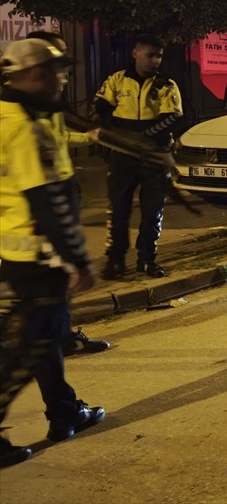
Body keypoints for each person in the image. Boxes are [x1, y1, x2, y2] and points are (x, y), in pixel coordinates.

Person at [1, 39, 107, 468]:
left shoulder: (13, 115)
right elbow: (46, 200)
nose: (64, 78)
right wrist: (77, 259)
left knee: (45, 338)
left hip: (17, 250)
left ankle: (64, 413)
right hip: (38, 254)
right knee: (21, 350)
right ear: (35, 75)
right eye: (57, 70)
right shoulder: (26, 127)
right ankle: (63, 412)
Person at [26, 31, 111, 356]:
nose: (65, 72)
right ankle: (56, 340)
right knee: (52, 279)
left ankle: (55, 340)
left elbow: (57, 139)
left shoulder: (39, 106)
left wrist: (86, 138)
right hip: (36, 215)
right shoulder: (22, 110)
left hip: (48, 206)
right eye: (58, 58)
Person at [93, 33, 182, 279]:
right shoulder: (117, 80)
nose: (155, 60)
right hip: (122, 157)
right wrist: (108, 132)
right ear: (135, 53)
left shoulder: (166, 85)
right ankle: (115, 261)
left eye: (159, 56)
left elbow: (172, 118)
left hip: (155, 157)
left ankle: (147, 260)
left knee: (153, 212)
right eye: (150, 55)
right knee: (118, 211)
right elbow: (100, 107)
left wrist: (141, 137)